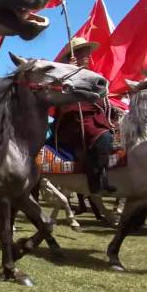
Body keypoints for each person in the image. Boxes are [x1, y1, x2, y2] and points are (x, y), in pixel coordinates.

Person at [55, 37, 116, 193]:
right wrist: (68, 73)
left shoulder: (91, 75)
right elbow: (58, 94)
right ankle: (95, 179)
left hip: (95, 116)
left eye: (89, 54)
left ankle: (110, 174)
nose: (89, 57)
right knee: (103, 136)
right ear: (73, 57)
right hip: (74, 120)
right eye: (84, 54)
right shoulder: (62, 73)